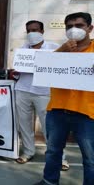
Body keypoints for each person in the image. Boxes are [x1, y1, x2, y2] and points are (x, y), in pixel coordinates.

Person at [35, 12, 94, 185]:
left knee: (90, 158)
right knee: (53, 151)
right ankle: (49, 181)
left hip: (87, 113)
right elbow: (45, 67)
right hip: (57, 110)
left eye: (79, 25)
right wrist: (63, 50)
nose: (73, 29)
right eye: (69, 26)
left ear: (90, 28)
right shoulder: (61, 50)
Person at [15, 20, 69, 171]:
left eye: (35, 30)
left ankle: (60, 158)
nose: (32, 33)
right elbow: (18, 69)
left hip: (45, 92)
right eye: (29, 30)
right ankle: (28, 152)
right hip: (23, 89)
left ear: (42, 31)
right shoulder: (22, 49)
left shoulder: (53, 48)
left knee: (50, 127)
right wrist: (15, 71)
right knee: (24, 124)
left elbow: (61, 66)